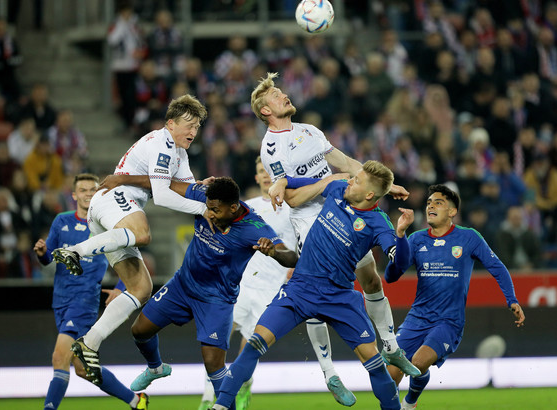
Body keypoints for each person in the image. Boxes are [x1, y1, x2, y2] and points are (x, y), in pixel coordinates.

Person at [250, 72, 418, 405]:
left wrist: (381, 185)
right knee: (314, 293)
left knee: (370, 276)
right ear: (265, 110)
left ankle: (391, 346)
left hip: (340, 208)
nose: (284, 95)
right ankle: (330, 374)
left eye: (283, 91)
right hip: (310, 220)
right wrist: (330, 182)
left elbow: (346, 163)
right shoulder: (271, 149)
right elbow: (294, 199)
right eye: (277, 95)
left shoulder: (310, 131)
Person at [212, 160, 412, 410]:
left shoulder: (379, 223)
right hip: (300, 290)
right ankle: (219, 406)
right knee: (254, 344)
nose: (350, 180)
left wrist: (401, 236)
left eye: (357, 180)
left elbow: (399, 265)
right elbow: (302, 183)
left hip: (339, 297)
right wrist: (283, 181)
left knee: (374, 365)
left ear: (370, 194)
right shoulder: (338, 189)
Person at [52, 94, 209, 385]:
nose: (193, 132)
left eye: (197, 126)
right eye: (188, 124)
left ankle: (90, 343)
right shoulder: (162, 144)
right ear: (170, 123)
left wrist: (203, 188)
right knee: (143, 234)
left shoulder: (179, 154)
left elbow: (186, 188)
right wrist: (203, 209)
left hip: (109, 216)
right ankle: (75, 250)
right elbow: (162, 195)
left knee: (141, 288)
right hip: (117, 200)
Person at [100, 175, 297, 406]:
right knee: (139, 330)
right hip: (182, 285)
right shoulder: (202, 196)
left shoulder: (254, 227)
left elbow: (291, 257)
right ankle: (155, 368)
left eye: (215, 210)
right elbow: (163, 183)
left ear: (233, 208)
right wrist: (122, 179)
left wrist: (273, 252)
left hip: (217, 300)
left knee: (214, 367)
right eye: (208, 208)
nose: (209, 213)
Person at [383, 184, 526, 409]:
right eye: (429, 202)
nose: (431, 205)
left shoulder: (468, 237)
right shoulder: (416, 239)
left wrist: (512, 299)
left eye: (438, 202)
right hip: (416, 319)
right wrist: (400, 236)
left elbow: (497, 267)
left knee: (417, 364)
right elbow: (391, 275)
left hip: (448, 322)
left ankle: (410, 402)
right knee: (389, 376)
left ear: (452, 212)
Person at [34, 173, 148, 410]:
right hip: (61, 299)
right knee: (83, 369)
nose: (87, 194)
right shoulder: (61, 221)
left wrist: (121, 287)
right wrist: (42, 253)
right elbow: (48, 260)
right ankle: (136, 401)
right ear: (74, 195)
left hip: (84, 300)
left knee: (59, 357)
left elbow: (129, 259)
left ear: (98, 194)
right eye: (83, 190)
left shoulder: (106, 224)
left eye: (91, 190)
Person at [199, 157, 297, 410]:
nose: (264, 175)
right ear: (255, 178)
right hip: (239, 286)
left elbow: (298, 249)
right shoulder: (246, 209)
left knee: (250, 345)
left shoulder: (293, 210)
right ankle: (208, 397)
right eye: (259, 172)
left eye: (268, 171)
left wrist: (295, 268)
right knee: (215, 338)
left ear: (278, 176)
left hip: (270, 290)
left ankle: (244, 385)